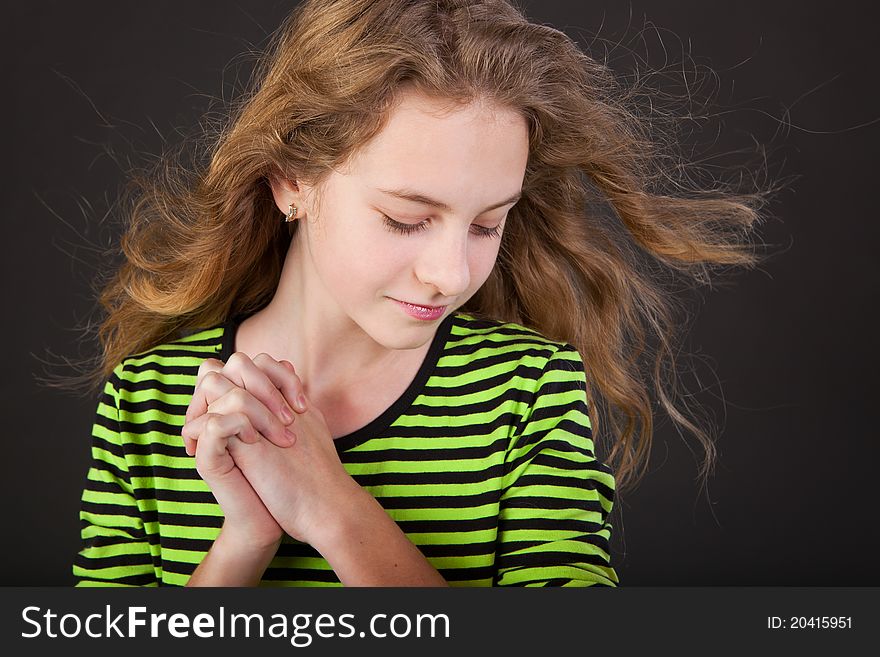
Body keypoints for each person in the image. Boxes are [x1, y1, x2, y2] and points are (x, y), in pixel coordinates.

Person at [73, 0, 765, 587]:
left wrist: (334, 510)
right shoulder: (146, 402)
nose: (454, 274)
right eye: (407, 219)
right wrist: (240, 546)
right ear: (291, 181)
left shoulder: (531, 391)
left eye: (488, 223)